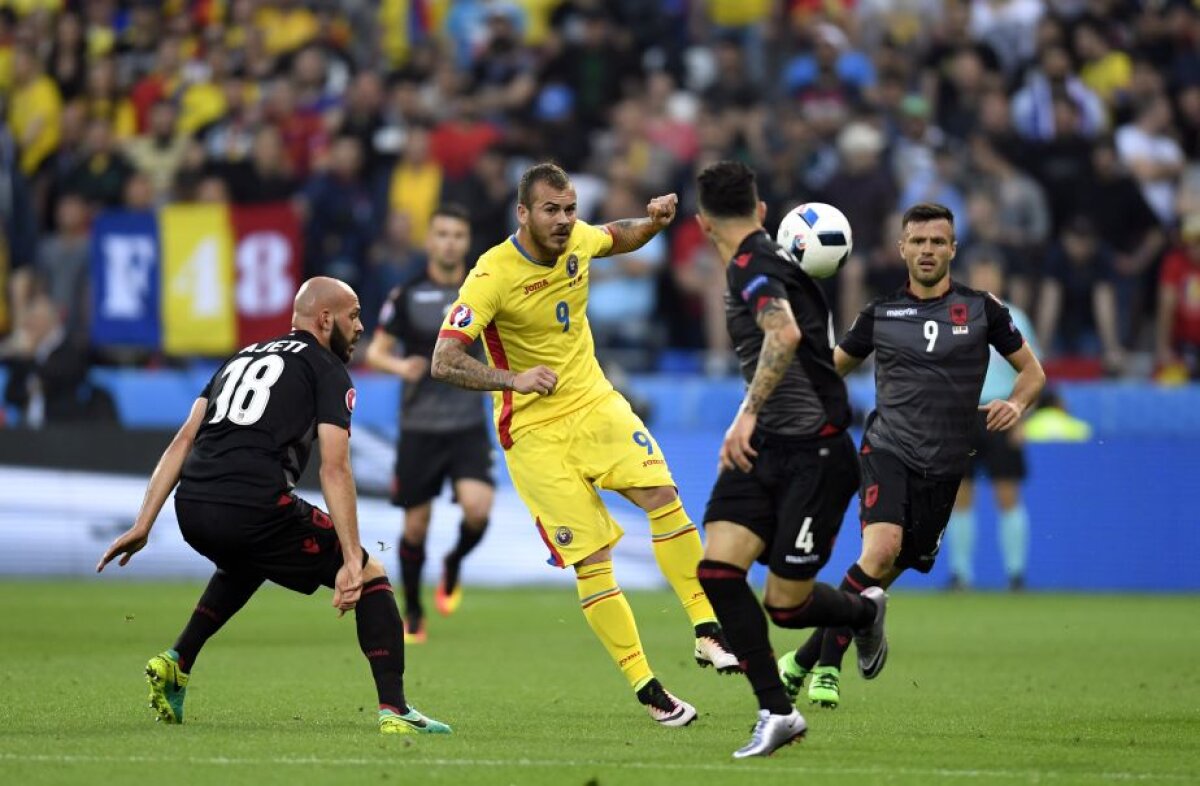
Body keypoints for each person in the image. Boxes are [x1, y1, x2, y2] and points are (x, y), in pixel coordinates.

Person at [430, 162, 738, 727]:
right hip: (533, 432)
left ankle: (707, 629)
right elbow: (443, 359)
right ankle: (649, 689)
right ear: (522, 214)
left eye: (570, 209)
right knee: (594, 561)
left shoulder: (576, 239)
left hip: (596, 403)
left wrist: (654, 222)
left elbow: (617, 235)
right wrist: (512, 379)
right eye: (551, 210)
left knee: (663, 496)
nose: (565, 221)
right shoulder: (491, 275)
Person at [96, 277, 451, 736]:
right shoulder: (326, 370)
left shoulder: (241, 357)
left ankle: (177, 661)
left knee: (251, 557)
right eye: (355, 315)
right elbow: (335, 470)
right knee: (371, 573)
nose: (361, 327)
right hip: (254, 504)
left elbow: (184, 439)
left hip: (194, 506)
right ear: (325, 320)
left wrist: (144, 522)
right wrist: (350, 560)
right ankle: (396, 710)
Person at [778, 203, 1046, 709]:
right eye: (918, 242)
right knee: (878, 553)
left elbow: (1033, 372)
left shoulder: (983, 310)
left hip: (945, 465)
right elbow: (831, 370)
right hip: (887, 449)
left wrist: (1016, 402)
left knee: (877, 577)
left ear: (952, 249)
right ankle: (829, 669)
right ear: (901, 248)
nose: (927, 251)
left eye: (937, 242)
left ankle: (800, 659)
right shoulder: (879, 315)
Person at [691, 161, 887, 758]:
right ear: (760, 211)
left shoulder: (752, 263)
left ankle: (861, 610)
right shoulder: (765, 261)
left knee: (786, 606)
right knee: (717, 572)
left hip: (817, 453)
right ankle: (777, 711)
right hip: (767, 447)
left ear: (701, 224)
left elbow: (784, 337)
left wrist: (744, 412)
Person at [365, 205, 494, 643]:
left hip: (467, 424)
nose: (450, 242)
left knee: (478, 509)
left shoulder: (482, 290)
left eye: (458, 234)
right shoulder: (407, 294)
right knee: (415, 526)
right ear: (430, 240)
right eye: (442, 233)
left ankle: (454, 562)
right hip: (419, 426)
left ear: (467, 241)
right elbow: (374, 352)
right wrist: (402, 368)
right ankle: (414, 610)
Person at [947, 256, 1042, 592]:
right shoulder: (955, 315)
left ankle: (1016, 574)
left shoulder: (1016, 319)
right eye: (979, 271)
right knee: (960, 495)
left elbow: (1033, 373)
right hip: (964, 415)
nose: (985, 277)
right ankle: (961, 575)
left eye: (991, 272)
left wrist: (1021, 415)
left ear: (1001, 279)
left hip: (1002, 412)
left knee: (1007, 494)